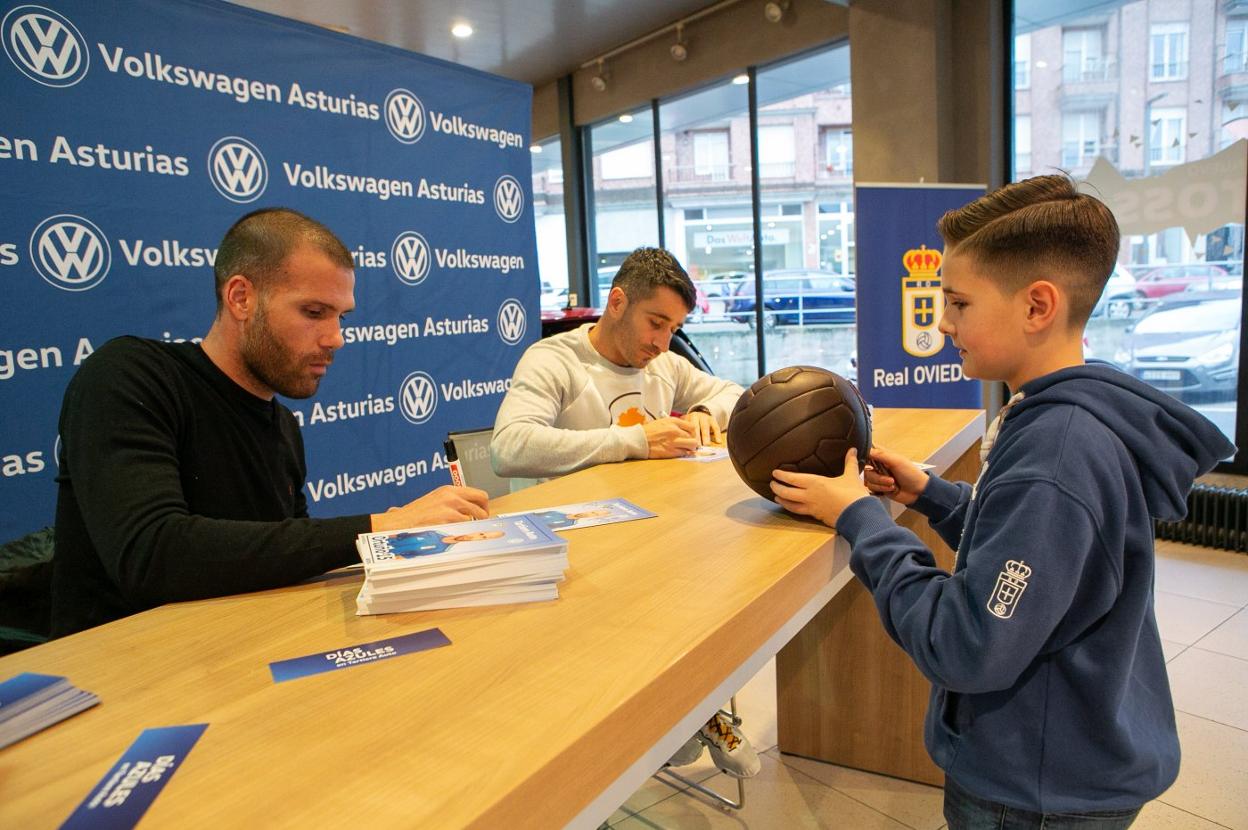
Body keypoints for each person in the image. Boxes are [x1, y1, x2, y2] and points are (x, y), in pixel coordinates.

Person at [770, 175, 1235, 827]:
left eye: (957, 302)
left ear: (1037, 306)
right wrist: (932, 496)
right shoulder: (1070, 416)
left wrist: (861, 522)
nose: (942, 321)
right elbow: (1037, 559)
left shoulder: (1056, 454)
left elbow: (965, 644)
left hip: (1036, 787)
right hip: (1070, 752)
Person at [51, 208, 489, 637]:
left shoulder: (282, 426)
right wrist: (378, 528)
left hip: (236, 655)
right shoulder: (130, 376)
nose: (336, 337)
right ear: (241, 298)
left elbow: (287, 556)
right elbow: (151, 555)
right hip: (120, 674)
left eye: (342, 316)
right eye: (314, 312)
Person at [491, 247, 760, 778]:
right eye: (656, 323)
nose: (662, 342)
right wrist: (634, 440)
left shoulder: (664, 363)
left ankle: (689, 711)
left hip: (656, 536)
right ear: (617, 302)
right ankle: (684, 716)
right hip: (575, 550)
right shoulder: (556, 361)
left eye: (674, 327)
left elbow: (735, 391)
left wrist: (706, 409)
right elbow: (510, 448)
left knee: (715, 597)